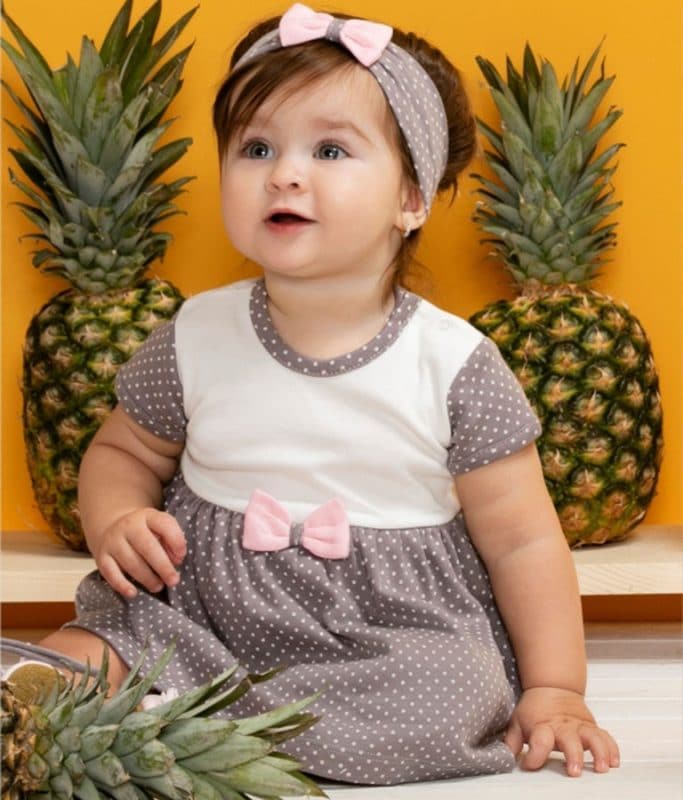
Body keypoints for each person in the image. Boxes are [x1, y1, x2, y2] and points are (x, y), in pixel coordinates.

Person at [35, 3, 620, 785]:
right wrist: (115, 517)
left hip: (387, 629)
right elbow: (123, 449)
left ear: (410, 200)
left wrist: (555, 688)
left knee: (454, 699)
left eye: (331, 148)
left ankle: (196, 734)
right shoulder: (193, 334)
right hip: (206, 609)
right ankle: (119, 710)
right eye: (256, 147)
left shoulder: (451, 362)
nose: (284, 172)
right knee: (81, 656)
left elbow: (522, 542)